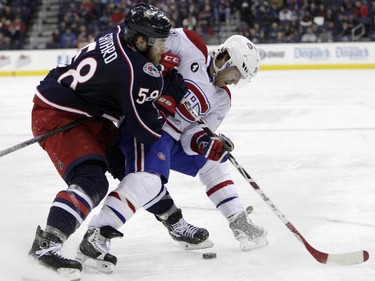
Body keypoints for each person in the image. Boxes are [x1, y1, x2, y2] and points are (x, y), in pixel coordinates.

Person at [76, 28, 268, 273]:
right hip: (146, 124)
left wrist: (206, 143)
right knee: (147, 181)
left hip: (172, 138)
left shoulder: (223, 99)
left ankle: (238, 221)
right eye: (237, 73)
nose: (236, 81)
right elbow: (147, 43)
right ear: (224, 59)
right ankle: (98, 232)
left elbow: (192, 135)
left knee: (215, 160)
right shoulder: (192, 46)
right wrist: (158, 63)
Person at [28, 4, 187, 280]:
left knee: (133, 170)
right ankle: (46, 244)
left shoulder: (114, 32)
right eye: (160, 42)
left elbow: (119, 78)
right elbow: (145, 130)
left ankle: (174, 220)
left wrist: (156, 77)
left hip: (78, 107)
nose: (165, 49)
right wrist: (165, 98)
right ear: (140, 40)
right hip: (60, 115)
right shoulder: (137, 72)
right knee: (92, 180)